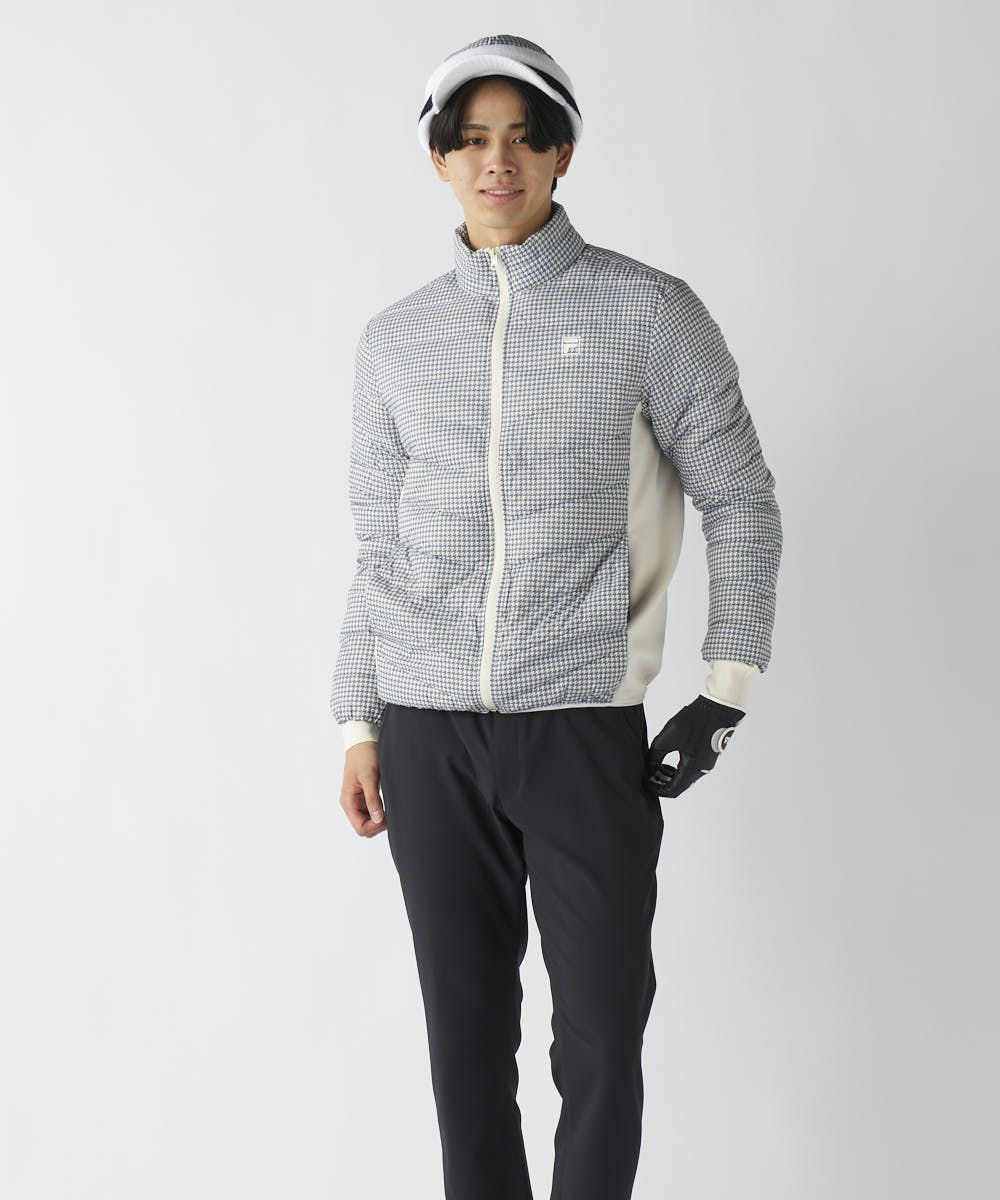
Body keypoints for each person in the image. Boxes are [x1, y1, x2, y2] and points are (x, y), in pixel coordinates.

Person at [330, 33, 783, 1200]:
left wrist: (725, 687)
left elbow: (740, 498)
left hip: (581, 728)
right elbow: (379, 550)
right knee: (464, 1044)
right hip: (427, 732)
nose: (499, 162)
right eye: (474, 140)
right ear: (440, 160)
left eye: (525, 139)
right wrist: (359, 723)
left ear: (562, 154)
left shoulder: (647, 311)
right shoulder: (395, 341)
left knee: (600, 1040)